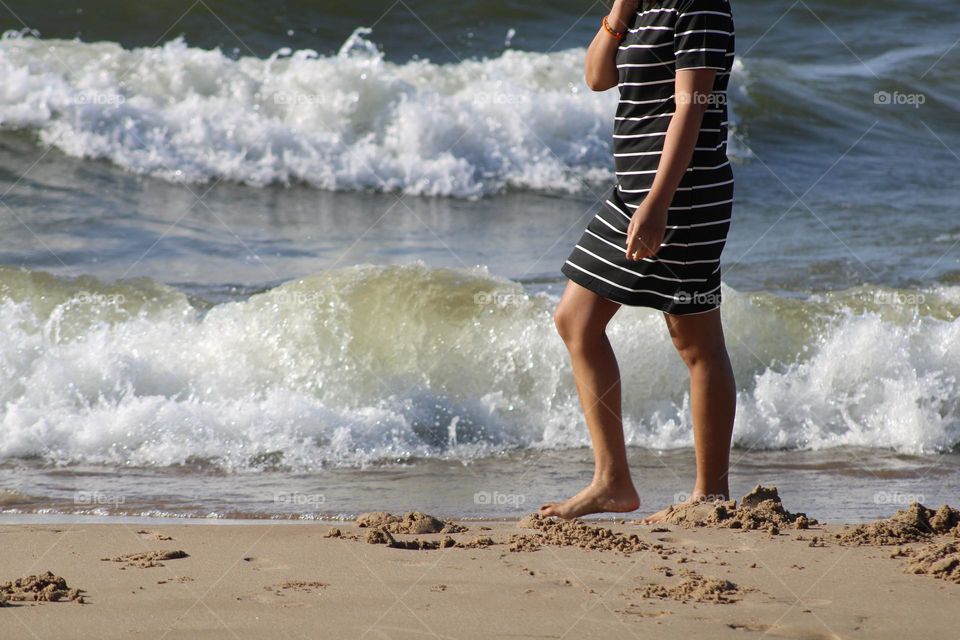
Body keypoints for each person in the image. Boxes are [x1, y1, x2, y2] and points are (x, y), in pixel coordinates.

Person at [541, 0, 737, 522]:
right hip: (631, 192)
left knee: (696, 343)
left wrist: (659, 203)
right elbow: (597, 76)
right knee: (576, 320)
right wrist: (621, 9)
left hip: (682, 194)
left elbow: (691, 107)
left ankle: (710, 495)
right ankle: (613, 481)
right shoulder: (642, 6)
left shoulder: (699, 4)